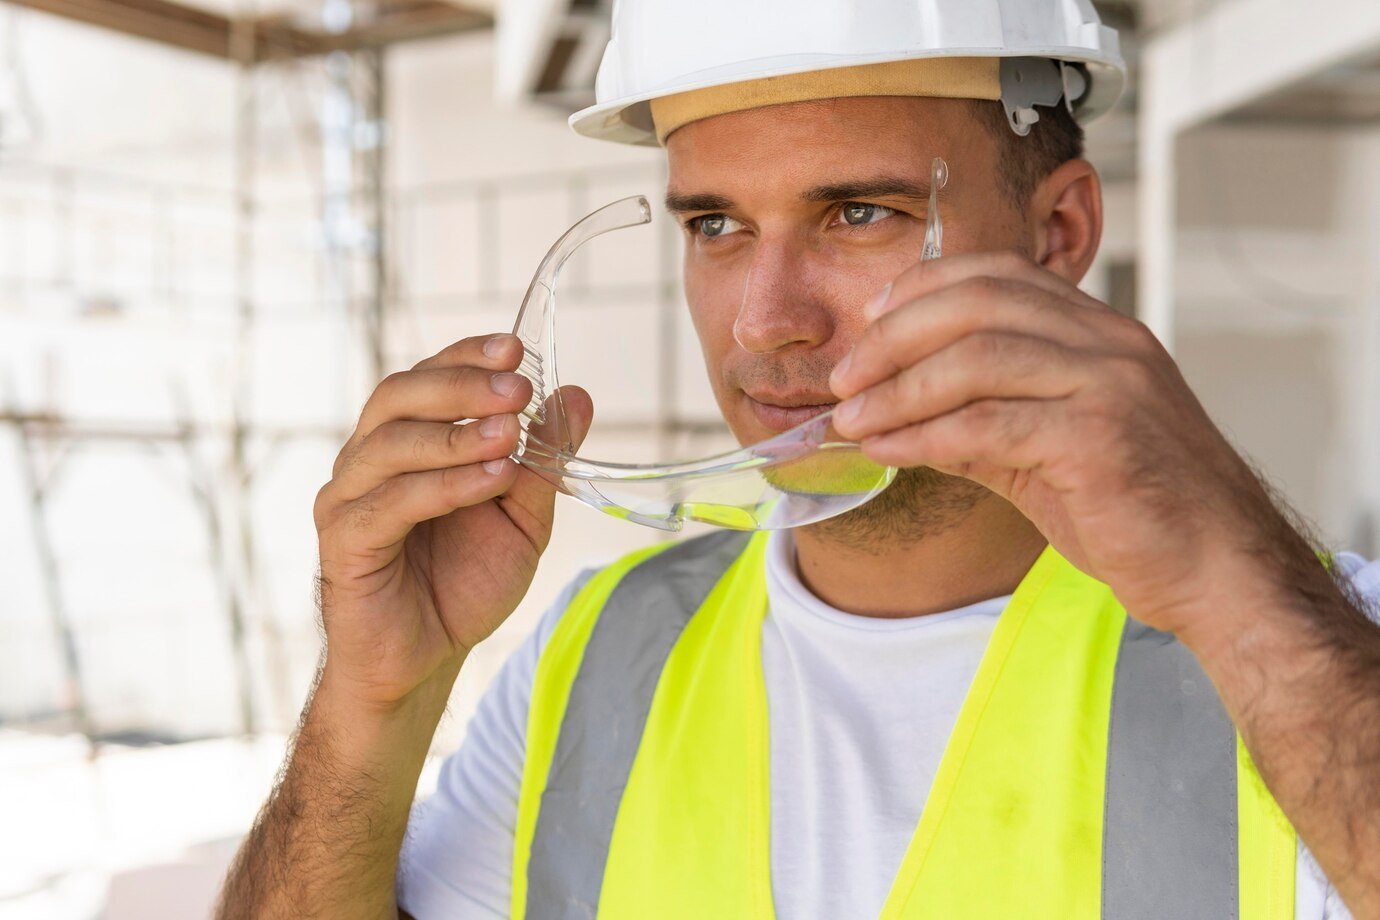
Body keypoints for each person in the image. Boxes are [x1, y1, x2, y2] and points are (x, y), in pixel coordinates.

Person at [215, 2, 1380, 917]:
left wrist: (1242, 585)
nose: (766, 321)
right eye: (715, 225)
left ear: (1059, 233)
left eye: (857, 213)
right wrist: (376, 697)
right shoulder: (595, 660)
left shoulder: (1308, 647)